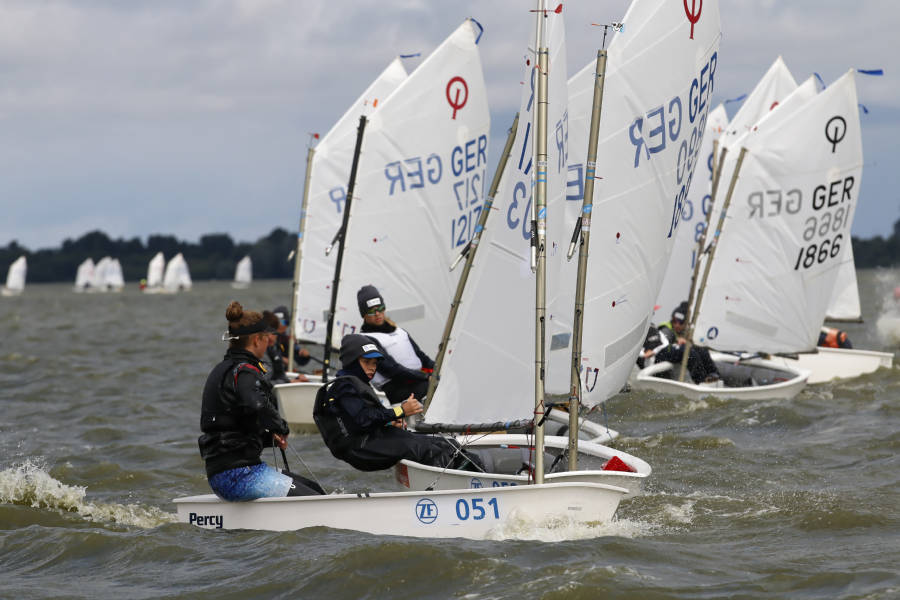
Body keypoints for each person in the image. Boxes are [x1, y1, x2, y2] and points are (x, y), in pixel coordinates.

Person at [198, 301, 324, 501]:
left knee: (314, 489)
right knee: (314, 501)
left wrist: (268, 437)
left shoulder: (222, 370)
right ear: (257, 340)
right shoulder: (245, 372)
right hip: (239, 475)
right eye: (266, 338)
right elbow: (258, 404)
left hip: (225, 473)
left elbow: (235, 424)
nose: (268, 343)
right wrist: (281, 427)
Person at [313, 333, 482, 472]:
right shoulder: (344, 386)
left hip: (372, 439)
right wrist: (400, 411)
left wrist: (389, 421)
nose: (372, 367)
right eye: (366, 362)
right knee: (430, 450)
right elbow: (362, 419)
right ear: (351, 361)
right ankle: (449, 486)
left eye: (374, 363)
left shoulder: (356, 383)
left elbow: (362, 419)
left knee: (444, 444)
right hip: (361, 449)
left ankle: (476, 473)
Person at [356, 285, 434, 404]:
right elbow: (392, 369)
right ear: (364, 315)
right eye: (371, 311)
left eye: (381, 308)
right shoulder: (365, 340)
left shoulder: (400, 331)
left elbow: (422, 357)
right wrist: (426, 376)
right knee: (434, 388)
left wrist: (438, 370)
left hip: (418, 381)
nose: (377, 313)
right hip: (398, 389)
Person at [640, 301, 720, 384]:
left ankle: (714, 376)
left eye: (681, 322)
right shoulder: (666, 329)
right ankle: (701, 381)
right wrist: (675, 340)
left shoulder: (689, 330)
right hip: (660, 355)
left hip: (670, 352)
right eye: (675, 321)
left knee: (701, 350)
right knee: (687, 351)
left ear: (686, 323)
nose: (677, 325)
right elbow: (659, 343)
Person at [272, 305, 311, 376]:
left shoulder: (287, 340)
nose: (280, 325)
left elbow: (300, 360)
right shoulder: (265, 338)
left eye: (284, 322)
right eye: (278, 322)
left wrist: (305, 356)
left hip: (282, 373)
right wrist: (281, 359)